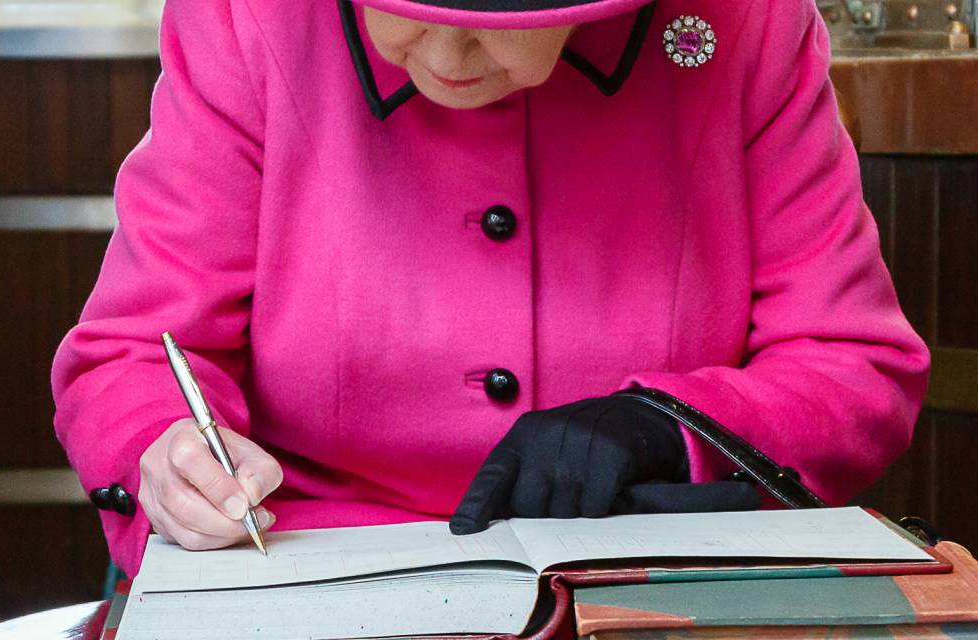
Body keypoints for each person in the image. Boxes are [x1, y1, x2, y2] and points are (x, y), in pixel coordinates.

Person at [51, 0, 930, 577]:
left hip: (645, 575)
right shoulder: (250, 17)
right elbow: (133, 353)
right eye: (400, 9)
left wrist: (669, 425)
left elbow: (854, 365)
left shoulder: (744, 24)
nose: (443, 53)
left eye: (495, 16)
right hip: (307, 572)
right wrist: (165, 449)